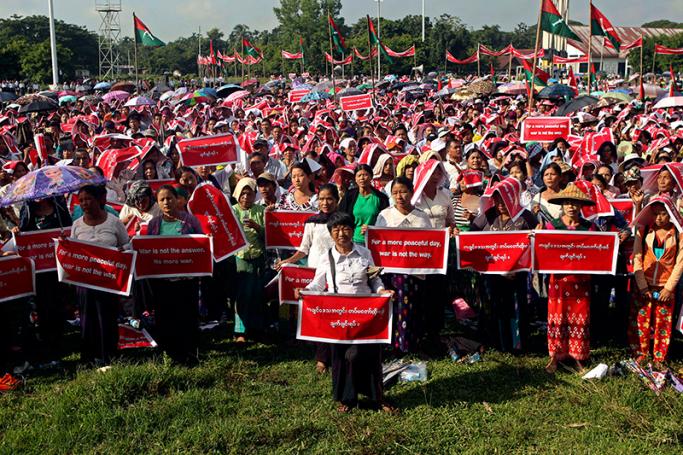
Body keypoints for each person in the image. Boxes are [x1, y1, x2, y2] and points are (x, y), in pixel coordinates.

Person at [300, 212, 395, 413]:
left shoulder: (364, 253)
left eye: (345, 229)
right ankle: (347, 398)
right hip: (339, 315)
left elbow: (374, 278)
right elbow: (318, 283)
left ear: (352, 231)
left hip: (366, 314)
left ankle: (377, 397)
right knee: (342, 357)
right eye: (336, 229)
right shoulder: (327, 257)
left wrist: (381, 291)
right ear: (331, 233)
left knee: (368, 354)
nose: (341, 233)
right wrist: (306, 292)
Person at [276, 184, 339, 373]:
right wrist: (288, 260)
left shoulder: (343, 220)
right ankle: (321, 358)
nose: (325, 203)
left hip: (337, 274)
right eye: (321, 199)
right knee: (319, 315)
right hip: (316, 274)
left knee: (334, 316)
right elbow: (304, 248)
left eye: (329, 199)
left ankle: (336, 355)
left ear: (336, 200)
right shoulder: (311, 222)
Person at [471, 178, 537, 353]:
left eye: (504, 198)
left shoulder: (526, 216)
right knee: (494, 307)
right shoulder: (488, 215)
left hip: (518, 275)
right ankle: (497, 343)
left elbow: (536, 241)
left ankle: (517, 345)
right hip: (492, 275)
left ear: (514, 197)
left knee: (517, 308)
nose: (500, 203)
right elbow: (471, 237)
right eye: (497, 198)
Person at [70, 185, 129, 365]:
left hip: (108, 280)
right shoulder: (77, 225)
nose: (85, 204)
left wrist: (121, 251)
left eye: (88, 199)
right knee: (87, 317)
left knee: (107, 316)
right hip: (85, 281)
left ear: (99, 200)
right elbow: (73, 251)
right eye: (81, 201)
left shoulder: (114, 222)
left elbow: (127, 245)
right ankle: (89, 356)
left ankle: (109, 355)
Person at [145, 185, 204, 365]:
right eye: (162, 199)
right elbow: (149, 250)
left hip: (186, 281)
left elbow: (201, 246)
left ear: (177, 199)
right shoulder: (154, 224)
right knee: (166, 318)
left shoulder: (190, 221)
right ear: (158, 202)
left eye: (169, 198)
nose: (166, 202)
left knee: (187, 317)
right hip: (162, 282)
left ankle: (190, 353)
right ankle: (170, 354)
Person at [543, 184, 596, 374]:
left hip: (581, 282)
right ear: (562, 206)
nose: (571, 207)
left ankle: (578, 357)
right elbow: (542, 250)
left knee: (580, 316)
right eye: (567, 203)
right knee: (557, 316)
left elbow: (600, 250)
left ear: (581, 206)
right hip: (558, 280)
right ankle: (555, 356)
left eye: (575, 203)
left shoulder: (590, 227)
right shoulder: (550, 227)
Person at [14, 197, 72, 365]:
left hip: (57, 267)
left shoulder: (59, 210)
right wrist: (17, 232)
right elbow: (23, 238)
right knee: (41, 305)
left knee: (57, 303)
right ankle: (45, 342)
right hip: (38, 270)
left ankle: (59, 341)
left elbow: (68, 230)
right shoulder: (29, 211)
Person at [375, 177, 431, 353]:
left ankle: (410, 344)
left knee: (412, 307)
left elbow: (430, 244)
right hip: (391, 273)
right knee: (393, 307)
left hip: (414, 273)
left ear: (412, 192)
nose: (399, 196)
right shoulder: (384, 215)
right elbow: (377, 242)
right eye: (395, 193)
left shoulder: (422, 217)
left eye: (403, 192)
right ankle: (392, 345)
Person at [630, 197, 683, 365]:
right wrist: (642, 286)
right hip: (643, 284)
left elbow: (680, 261)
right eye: (656, 214)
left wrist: (669, 288)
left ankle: (660, 358)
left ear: (671, 214)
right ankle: (641, 355)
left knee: (663, 324)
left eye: (663, 214)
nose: (659, 218)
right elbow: (637, 257)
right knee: (641, 322)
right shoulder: (644, 230)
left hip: (665, 286)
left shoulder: (679, 233)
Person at [232, 178, 267, 342]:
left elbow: (269, 235)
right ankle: (240, 331)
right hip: (241, 257)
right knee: (242, 294)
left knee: (257, 293)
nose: (246, 197)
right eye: (243, 193)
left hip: (258, 256)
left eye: (250, 193)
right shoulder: (232, 211)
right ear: (237, 194)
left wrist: (257, 227)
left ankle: (257, 327)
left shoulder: (261, 210)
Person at [338, 164, 389, 245]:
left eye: (365, 175)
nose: (362, 178)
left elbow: (386, 222)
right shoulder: (349, 196)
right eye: (359, 175)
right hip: (352, 241)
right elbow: (341, 216)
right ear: (355, 178)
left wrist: (372, 229)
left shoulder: (381, 198)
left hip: (374, 241)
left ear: (371, 177)